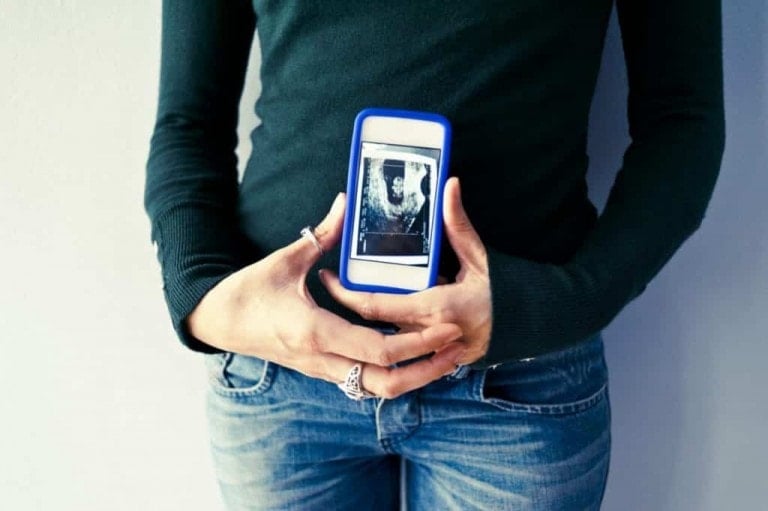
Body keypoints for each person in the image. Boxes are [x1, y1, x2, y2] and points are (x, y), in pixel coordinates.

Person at [144, 1, 724, 509]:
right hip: (277, 375)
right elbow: (185, 123)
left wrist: (566, 304)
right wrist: (203, 303)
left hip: (519, 381)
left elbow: (683, 123)